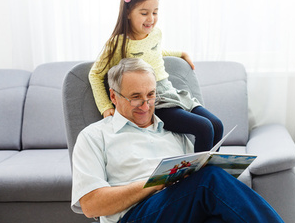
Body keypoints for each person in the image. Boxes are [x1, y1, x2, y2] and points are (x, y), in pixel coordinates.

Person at [71, 58, 284, 223]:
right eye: (135, 97)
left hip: (180, 210)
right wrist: (154, 184)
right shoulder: (94, 136)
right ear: (114, 97)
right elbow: (91, 205)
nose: (146, 106)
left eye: (151, 95)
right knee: (210, 179)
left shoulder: (173, 132)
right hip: (134, 216)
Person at [89, 0, 222, 152]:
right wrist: (106, 107)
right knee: (204, 127)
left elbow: (155, 53)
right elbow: (95, 75)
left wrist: (180, 53)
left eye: (155, 12)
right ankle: (201, 177)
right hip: (153, 102)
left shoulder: (156, 33)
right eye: (144, 13)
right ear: (128, 12)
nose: (151, 18)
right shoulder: (118, 44)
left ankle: (211, 173)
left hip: (170, 92)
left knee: (217, 125)